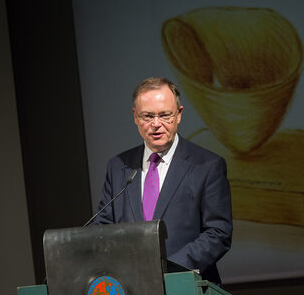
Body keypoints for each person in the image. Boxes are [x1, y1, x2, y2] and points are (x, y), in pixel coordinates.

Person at [93, 77, 232, 284]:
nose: (156, 124)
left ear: (179, 115)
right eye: (147, 116)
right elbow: (102, 228)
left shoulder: (207, 166)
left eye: (165, 115)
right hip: (131, 288)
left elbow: (218, 232)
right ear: (135, 117)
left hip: (186, 287)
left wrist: (168, 270)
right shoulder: (119, 167)